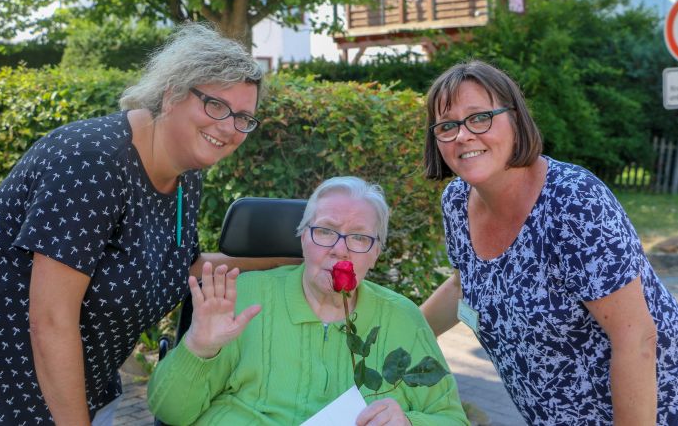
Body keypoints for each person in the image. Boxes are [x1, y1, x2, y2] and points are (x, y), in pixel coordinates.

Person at [0, 23, 267, 425]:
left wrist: (291, 261)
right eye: (215, 105)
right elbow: (51, 319)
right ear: (172, 92)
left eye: (244, 117)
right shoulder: (91, 161)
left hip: (87, 394)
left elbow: (183, 267)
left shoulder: (185, 172)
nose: (229, 128)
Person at [419, 61, 678, 425]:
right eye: (447, 125)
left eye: (480, 117)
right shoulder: (456, 201)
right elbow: (464, 282)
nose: (463, 135)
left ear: (514, 119)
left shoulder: (573, 202)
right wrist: (399, 333)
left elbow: (635, 337)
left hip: (657, 406)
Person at [148, 176, 468, 425]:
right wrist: (198, 348)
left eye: (359, 237)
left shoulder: (402, 318)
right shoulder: (241, 296)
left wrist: (409, 423)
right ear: (303, 237)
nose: (340, 249)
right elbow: (170, 412)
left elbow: (451, 418)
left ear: (375, 253)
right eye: (326, 231)